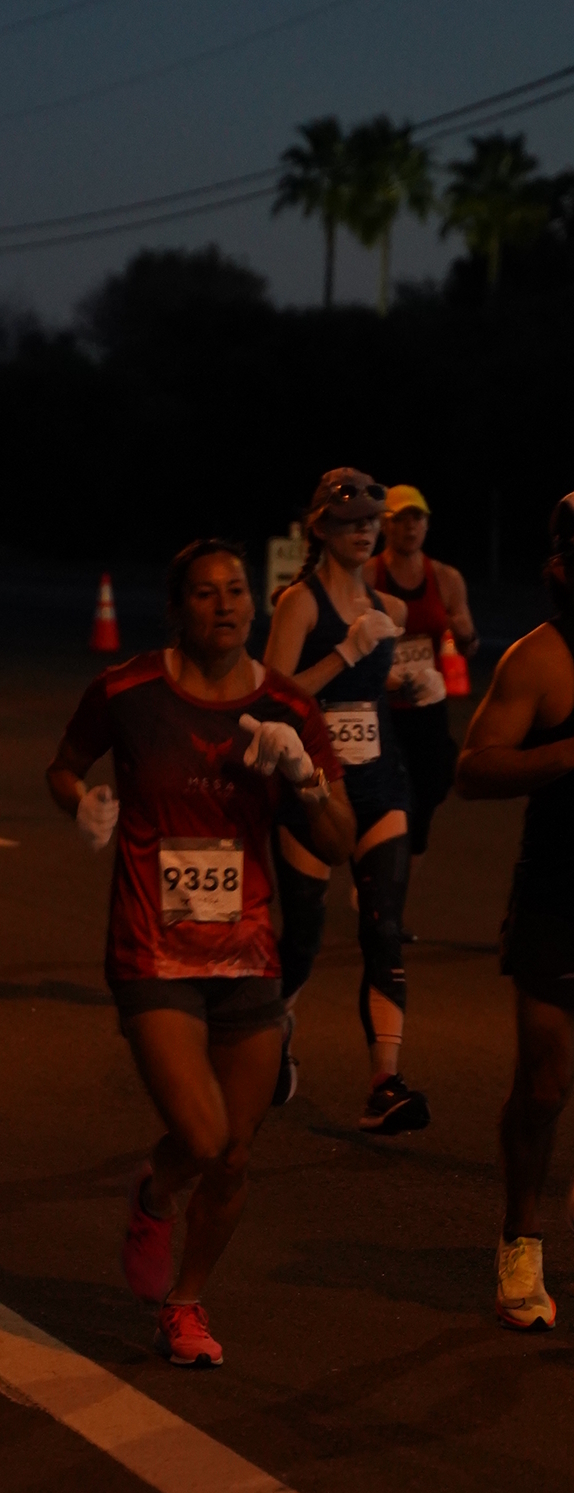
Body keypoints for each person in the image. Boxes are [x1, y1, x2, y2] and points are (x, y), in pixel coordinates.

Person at [47, 539, 352, 1368]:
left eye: (237, 591)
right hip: (152, 949)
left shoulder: (288, 705)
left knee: (236, 1154)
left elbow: (340, 840)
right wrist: (83, 804)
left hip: (248, 951)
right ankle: (155, 1193)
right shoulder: (127, 691)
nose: (226, 606)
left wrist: (306, 778)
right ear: (178, 608)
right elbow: (64, 766)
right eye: (207, 594)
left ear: (253, 603)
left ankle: (185, 1304)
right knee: (206, 1135)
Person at [264, 468, 430, 1134]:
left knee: (383, 928)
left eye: (371, 521)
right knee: (304, 934)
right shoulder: (299, 604)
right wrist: (345, 650)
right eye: (351, 521)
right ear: (322, 528)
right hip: (312, 787)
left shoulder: (389, 607)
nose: (364, 531)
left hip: (380, 783)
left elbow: (369, 686)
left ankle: (385, 1082)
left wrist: (408, 686)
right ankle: (275, 1033)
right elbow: (273, 699)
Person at [455, 491, 574, 1329]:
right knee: (543, 1082)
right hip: (560, 894)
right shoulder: (540, 660)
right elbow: (475, 768)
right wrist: (569, 753)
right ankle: (519, 1239)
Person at [366, 483, 478, 869]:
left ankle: (404, 864)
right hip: (382, 707)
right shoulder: (368, 575)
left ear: (427, 524)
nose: (409, 527)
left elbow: (468, 647)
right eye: (400, 519)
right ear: (385, 525)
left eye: (417, 518)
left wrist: (466, 635)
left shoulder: (446, 578)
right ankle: (377, 875)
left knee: (429, 791)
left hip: (428, 707)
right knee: (382, 795)